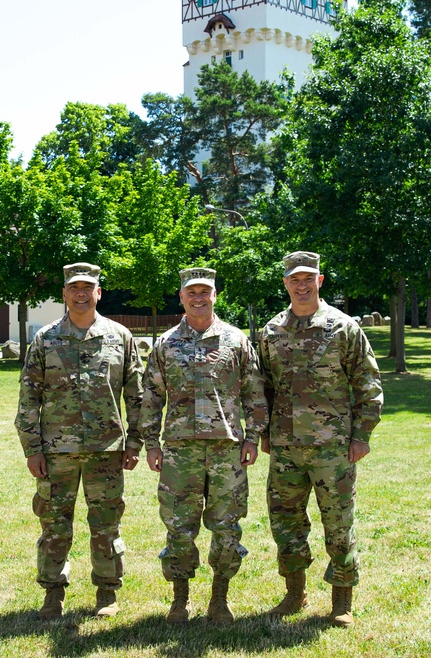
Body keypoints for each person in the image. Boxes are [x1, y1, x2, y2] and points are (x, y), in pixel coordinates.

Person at [258, 251, 383, 627]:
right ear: (285, 283)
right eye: (294, 279)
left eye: (308, 278)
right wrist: (264, 433)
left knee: (338, 524)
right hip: (285, 448)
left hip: (333, 446)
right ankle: (294, 593)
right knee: (285, 523)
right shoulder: (271, 331)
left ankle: (341, 599)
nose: (301, 285)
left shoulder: (342, 327)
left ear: (320, 281)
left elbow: (368, 382)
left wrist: (361, 435)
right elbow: (261, 386)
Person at [15, 262, 144, 620]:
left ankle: (107, 592)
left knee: (106, 523)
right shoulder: (47, 338)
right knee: (54, 524)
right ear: (65, 294)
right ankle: (52, 593)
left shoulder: (120, 336)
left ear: (99, 292)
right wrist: (32, 449)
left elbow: (137, 395)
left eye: (88, 287)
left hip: (106, 451)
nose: (82, 293)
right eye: (75, 288)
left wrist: (135, 443)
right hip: (57, 452)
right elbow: (29, 397)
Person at [141, 267, 268, 624]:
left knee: (227, 527)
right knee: (179, 527)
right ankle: (180, 600)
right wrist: (151, 442)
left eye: (205, 291)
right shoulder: (165, 344)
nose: (198, 297)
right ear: (181, 297)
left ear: (215, 295)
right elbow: (151, 397)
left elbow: (254, 392)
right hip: (179, 451)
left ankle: (219, 598)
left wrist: (253, 437)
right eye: (191, 292)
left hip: (227, 449)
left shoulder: (236, 340)